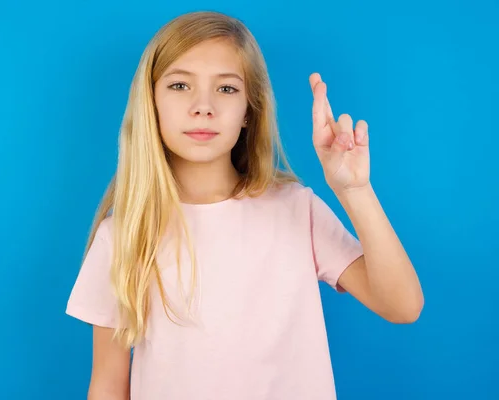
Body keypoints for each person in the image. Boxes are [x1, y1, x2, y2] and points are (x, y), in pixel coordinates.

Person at [65, 10, 424, 400]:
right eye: (180, 85)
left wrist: (354, 190)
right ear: (150, 102)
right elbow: (107, 384)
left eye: (226, 89)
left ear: (249, 112)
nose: (203, 107)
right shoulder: (123, 234)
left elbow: (403, 306)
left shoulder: (296, 210)